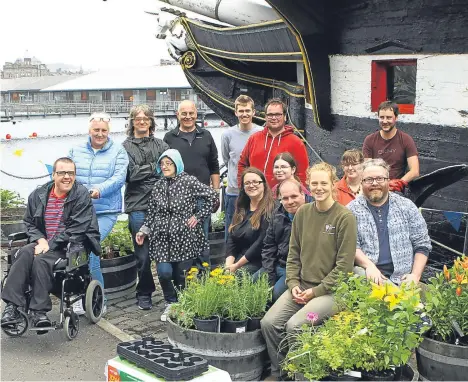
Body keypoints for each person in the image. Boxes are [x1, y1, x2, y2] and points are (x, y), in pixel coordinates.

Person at [261, 162, 357, 381]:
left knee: (295, 326)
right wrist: (293, 284)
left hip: (332, 292)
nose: (319, 188)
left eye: (324, 183)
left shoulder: (344, 217)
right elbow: (293, 255)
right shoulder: (303, 213)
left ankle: (301, 374)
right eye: (314, 183)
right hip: (302, 286)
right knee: (268, 323)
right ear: (308, 186)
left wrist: (316, 292)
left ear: (333, 184)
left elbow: (344, 267)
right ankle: (280, 372)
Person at [1, 158, 100, 330]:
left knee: (41, 260)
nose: (67, 177)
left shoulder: (81, 195)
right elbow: (29, 223)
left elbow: (78, 227)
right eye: (62, 173)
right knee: (23, 253)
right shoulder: (38, 195)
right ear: (53, 174)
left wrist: (50, 244)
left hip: (70, 245)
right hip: (44, 242)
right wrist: (41, 240)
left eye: (71, 173)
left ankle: (39, 312)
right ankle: (11, 307)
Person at [136, 149, 218, 322]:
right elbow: (152, 212)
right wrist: (144, 230)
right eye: (162, 164)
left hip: (184, 238)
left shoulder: (189, 181)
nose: (165, 167)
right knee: (164, 272)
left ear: (177, 164)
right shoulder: (158, 185)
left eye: (169, 163)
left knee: (181, 274)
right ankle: (170, 302)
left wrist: (198, 216)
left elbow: (212, 196)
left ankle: (181, 303)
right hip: (161, 238)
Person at [68, 112, 129, 314]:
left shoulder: (118, 151)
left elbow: (119, 178)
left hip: (105, 211)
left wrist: (99, 189)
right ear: (89, 130)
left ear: (108, 132)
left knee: (90, 245)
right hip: (80, 211)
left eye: (104, 130)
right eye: (96, 130)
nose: (100, 134)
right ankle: (82, 296)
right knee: (77, 250)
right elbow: (67, 174)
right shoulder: (75, 150)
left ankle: (98, 300)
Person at [347, 158, 431, 286]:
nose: (374, 183)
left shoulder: (407, 206)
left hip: (404, 278)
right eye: (369, 179)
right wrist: (369, 266)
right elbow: (352, 246)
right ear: (361, 182)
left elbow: (422, 244)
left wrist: (415, 275)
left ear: (388, 181)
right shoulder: (351, 210)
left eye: (380, 179)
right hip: (368, 277)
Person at [123, 104, 170, 310]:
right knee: (142, 254)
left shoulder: (162, 145)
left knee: (166, 250)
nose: (142, 121)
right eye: (137, 118)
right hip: (137, 205)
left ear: (151, 121)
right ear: (132, 122)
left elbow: (169, 171)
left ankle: (171, 293)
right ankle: (144, 292)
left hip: (162, 204)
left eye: (146, 118)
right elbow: (130, 175)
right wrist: (153, 168)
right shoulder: (124, 147)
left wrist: (147, 171)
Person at [164, 100, 220, 265]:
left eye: (191, 113)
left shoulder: (206, 135)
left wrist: (215, 193)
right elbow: (165, 167)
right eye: (184, 113)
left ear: (196, 114)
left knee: (202, 238)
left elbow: (214, 165)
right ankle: (185, 279)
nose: (188, 117)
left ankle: (204, 281)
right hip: (179, 199)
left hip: (203, 197)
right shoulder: (169, 138)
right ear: (178, 115)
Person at [238, 98, 309, 188]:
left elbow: (302, 173)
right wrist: (242, 187)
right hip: (255, 194)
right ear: (265, 117)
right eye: (270, 115)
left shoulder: (296, 142)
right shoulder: (254, 138)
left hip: (282, 197)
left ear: (285, 117)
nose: (274, 118)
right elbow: (242, 164)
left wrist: (299, 194)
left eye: (278, 114)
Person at [257, 179, 308, 302]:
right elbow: (268, 247)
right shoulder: (277, 215)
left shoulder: (312, 216)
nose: (290, 202)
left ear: (303, 194)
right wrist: (270, 276)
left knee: (273, 296)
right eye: (285, 198)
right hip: (275, 265)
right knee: (249, 286)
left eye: (294, 196)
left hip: (294, 270)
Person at [221, 95, 262, 240]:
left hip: (257, 190)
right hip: (234, 190)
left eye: (247, 110)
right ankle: (229, 259)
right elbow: (227, 159)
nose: (244, 114)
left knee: (256, 227)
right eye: (241, 111)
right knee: (232, 227)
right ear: (236, 112)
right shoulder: (227, 135)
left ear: (253, 112)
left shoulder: (261, 133)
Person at [225, 167, 275, 275]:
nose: (251, 185)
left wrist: (236, 266)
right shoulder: (242, 208)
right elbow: (232, 239)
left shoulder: (271, 209)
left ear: (264, 184)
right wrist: (228, 265)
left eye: (255, 182)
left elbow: (260, 244)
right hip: (238, 260)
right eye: (247, 183)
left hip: (259, 261)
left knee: (235, 279)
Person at [362, 101, 419, 192]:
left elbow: (415, 171)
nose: (385, 121)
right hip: (375, 187)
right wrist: (381, 185)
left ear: (396, 118)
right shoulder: (369, 140)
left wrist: (397, 183)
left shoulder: (406, 139)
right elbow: (367, 168)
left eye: (389, 117)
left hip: (397, 190)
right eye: (382, 117)